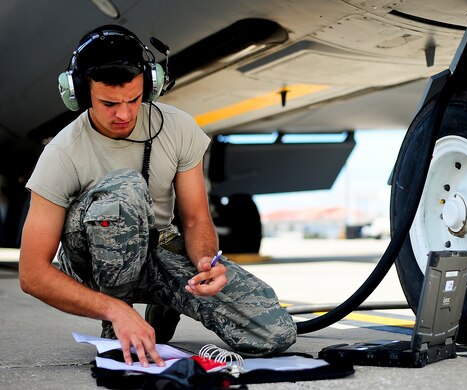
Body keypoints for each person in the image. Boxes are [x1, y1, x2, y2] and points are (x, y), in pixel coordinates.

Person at [18, 24, 297, 368]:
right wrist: (115, 309)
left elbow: (195, 219)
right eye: (108, 103)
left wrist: (207, 263)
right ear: (78, 93)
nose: (123, 114)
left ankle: (162, 305)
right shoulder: (62, 153)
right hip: (93, 264)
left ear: (150, 87)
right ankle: (118, 323)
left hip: (159, 248)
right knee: (127, 189)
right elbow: (32, 273)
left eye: (133, 100)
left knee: (275, 334)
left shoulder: (178, 128)